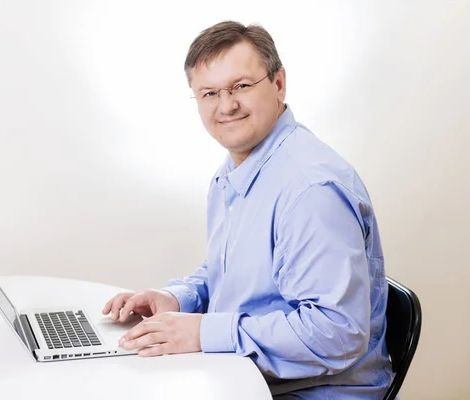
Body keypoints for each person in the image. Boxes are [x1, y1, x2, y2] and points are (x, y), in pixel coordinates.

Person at [102, 20, 393, 399]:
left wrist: (203, 333)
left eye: (241, 86)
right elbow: (238, 274)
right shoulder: (237, 172)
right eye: (209, 93)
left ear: (278, 84)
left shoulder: (310, 189)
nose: (226, 106)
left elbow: (335, 333)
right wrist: (177, 298)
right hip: (246, 378)